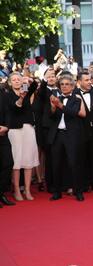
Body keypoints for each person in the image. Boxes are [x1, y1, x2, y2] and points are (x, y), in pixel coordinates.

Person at [6, 73, 40, 201]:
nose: (16, 81)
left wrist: (30, 79)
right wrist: (20, 98)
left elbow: (35, 85)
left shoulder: (26, 91)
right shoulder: (7, 95)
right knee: (16, 161)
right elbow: (15, 108)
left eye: (18, 79)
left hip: (28, 128)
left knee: (28, 160)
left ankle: (27, 189)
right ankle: (16, 190)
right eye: (13, 80)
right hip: (15, 130)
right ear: (10, 83)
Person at [0, 88, 15, 207]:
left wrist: (7, 127)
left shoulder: (3, 93)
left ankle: (1, 193)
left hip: (3, 134)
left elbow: (8, 112)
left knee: (8, 162)